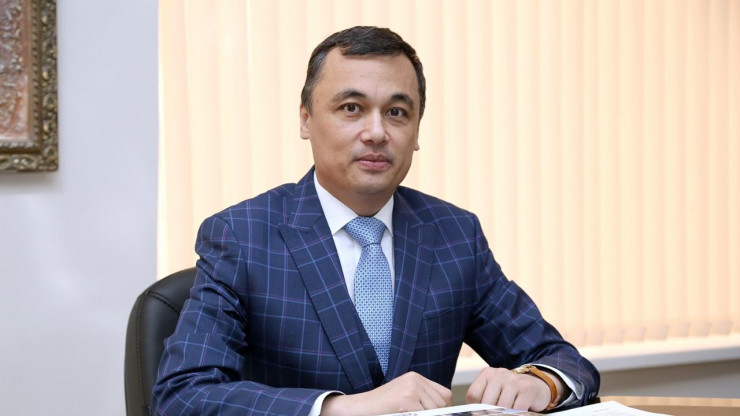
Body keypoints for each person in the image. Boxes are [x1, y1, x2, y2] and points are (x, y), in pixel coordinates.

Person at [152, 26, 599, 415]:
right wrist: (338, 409)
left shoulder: (454, 235)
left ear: (417, 130)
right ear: (306, 119)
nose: (377, 132)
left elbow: (561, 360)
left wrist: (541, 383)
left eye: (397, 112)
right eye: (351, 108)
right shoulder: (243, 236)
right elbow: (183, 395)